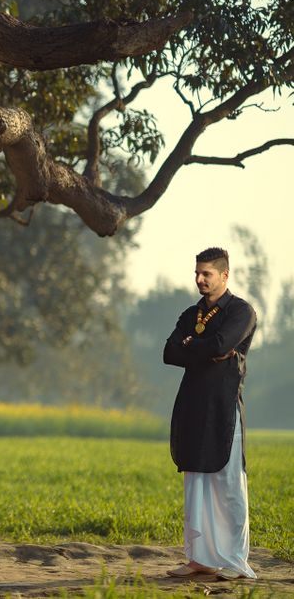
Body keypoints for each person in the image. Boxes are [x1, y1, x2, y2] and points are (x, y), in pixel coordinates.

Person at [163, 247, 257, 580]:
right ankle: (199, 558)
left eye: (206, 274)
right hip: (192, 405)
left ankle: (234, 561)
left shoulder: (241, 312)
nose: (199, 279)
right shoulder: (191, 313)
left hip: (223, 407)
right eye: (197, 273)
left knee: (228, 482)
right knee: (196, 484)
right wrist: (197, 347)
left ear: (224, 275)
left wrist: (192, 346)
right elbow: (170, 351)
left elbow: (221, 345)